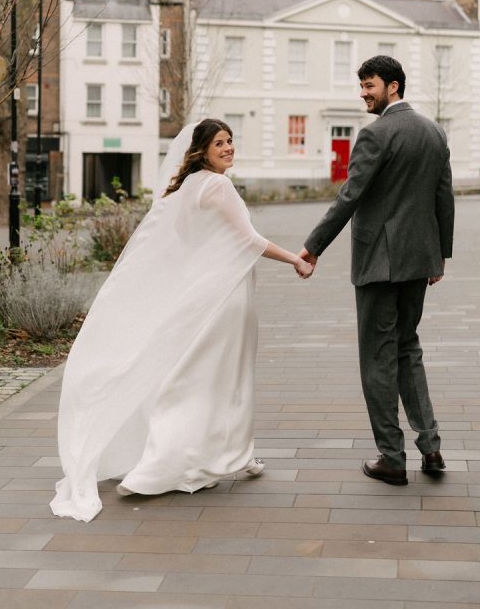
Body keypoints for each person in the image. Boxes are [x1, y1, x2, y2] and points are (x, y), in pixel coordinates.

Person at [50, 118, 312, 522]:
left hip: (202, 294)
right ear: (202, 150)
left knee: (197, 375)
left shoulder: (186, 187)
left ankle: (218, 455)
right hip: (226, 297)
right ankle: (179, 462)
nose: (228, 148)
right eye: (220, 143)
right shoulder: (218, 186)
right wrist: (295, 258)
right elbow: (249, 240)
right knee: (221, 378)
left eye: (231, 141)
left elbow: (184, 244)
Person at [300, 56, 454, 486]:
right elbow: (445, 195)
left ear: (393, 85)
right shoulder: (434, 132)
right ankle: (432, 446)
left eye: (369, 85)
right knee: (408, 348)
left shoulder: (374, 134)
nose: (363, 93)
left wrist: (313, 247)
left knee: (377, 358)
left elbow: (349, 197)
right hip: (419, 260)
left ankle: (392, 456)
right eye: (362, 86)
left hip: (379, 263)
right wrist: (440, 254)